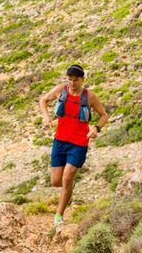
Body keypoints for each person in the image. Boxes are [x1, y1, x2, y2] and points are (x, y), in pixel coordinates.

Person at [38, 64, 109, 228]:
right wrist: (46, 117)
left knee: (67, 177)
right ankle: (69, 187)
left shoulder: (90, 97)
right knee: (56, 182)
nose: (72, 83)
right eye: (69, 80)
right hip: (60, 141)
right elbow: (43, 100)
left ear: (83, 79)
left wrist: (96, 128)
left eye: (76, 80)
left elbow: (104, 115)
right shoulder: (60, 90)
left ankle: (59, 216)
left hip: (79, 143)